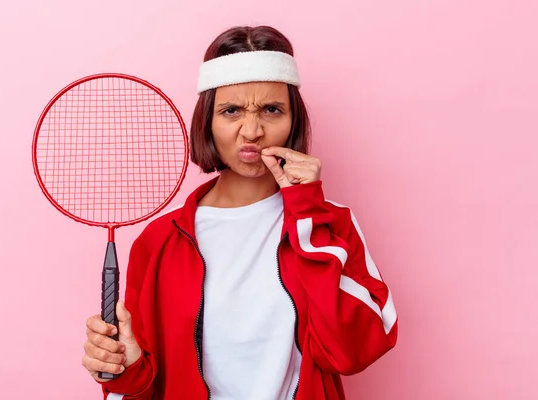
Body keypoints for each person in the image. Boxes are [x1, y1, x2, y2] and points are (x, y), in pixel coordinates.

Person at [82, 25, 398, 400]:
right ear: (208, 122)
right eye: (231, 111)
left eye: (271, 109)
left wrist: (306, 211)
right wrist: (125, 371)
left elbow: (349, 351)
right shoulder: (159, 241)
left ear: (293, 119)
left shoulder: (329, 224)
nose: (253, 130)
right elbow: (139, 387)